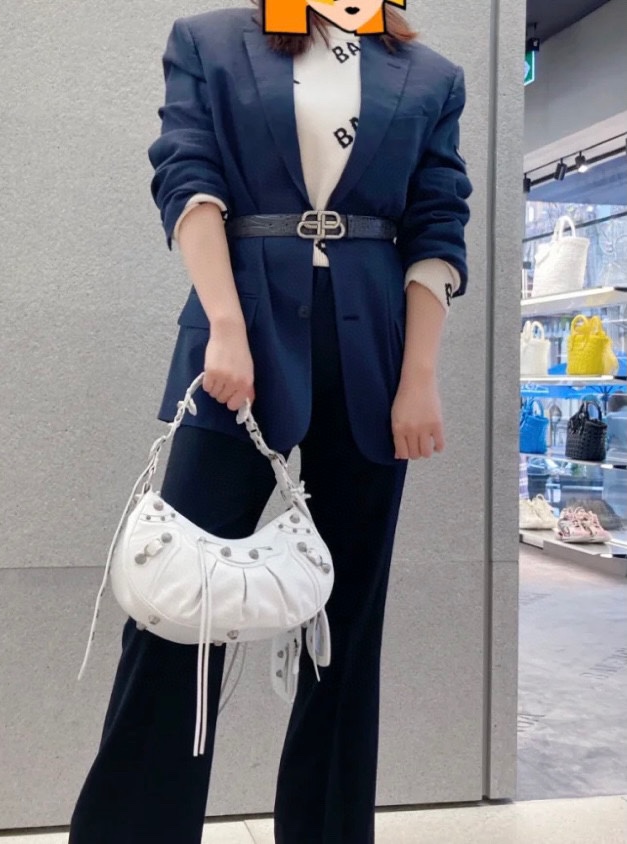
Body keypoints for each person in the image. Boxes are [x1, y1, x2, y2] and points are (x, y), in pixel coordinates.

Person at [68, 2, 472, 842]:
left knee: (346, 627)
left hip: (371, 358)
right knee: (178, 609)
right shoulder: (211, 40)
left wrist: (419, 377)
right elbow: (188, 174)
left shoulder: (432, 76)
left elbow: (436, 221)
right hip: (239, 341)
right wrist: (224, 324)